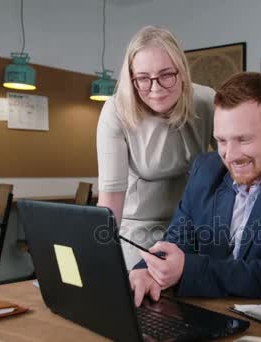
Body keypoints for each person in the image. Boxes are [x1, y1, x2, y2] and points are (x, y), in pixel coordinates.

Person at [129, 72, 261, 306]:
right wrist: (147, 270)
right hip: (207, 309)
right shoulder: (205, 168)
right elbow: (176, 241)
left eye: (243, 140)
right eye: (222, 141)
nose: (230, 156)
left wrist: (187, 270)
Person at [96, 26, 216, 269]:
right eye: (142, 78)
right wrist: (99, 258)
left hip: (192, 229)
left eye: (166, 75)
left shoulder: (206, 102)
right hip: (135, 232)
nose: (155, 87)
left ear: (181, 71)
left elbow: (235, 163)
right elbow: (111, 197)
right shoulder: (116, 111)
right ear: (132, 78)